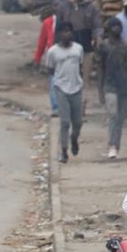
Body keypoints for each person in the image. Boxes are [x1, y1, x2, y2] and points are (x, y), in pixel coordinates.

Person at [42, 23, 85, 162]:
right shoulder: (53, 52)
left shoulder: (78, 49)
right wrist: (58, 81)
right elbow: (50, 69)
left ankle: (74, 139)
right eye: (64, 32)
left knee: (77, 122)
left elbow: (81, 66)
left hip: (76, 88)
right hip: (61, 88)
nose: (67, 34)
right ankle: (64, 151)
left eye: (69, 32)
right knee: (65, 122)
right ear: (59, 34)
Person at [97, 16, 127, 160]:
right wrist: (100, 89)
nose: (116, 29)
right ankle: (112, 145)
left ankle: (116, 144)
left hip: (124, 85)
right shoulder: (104, 46)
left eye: (118, 26)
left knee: (122, 116)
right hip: (110, 85)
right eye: (114, 27)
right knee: (113, 114)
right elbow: (100, 68)